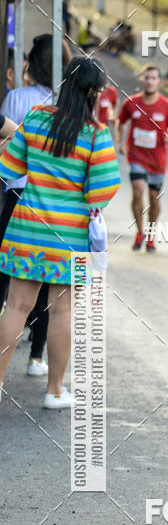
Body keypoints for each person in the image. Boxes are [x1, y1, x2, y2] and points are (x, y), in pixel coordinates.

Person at [0, 57, 120, 408]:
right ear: (94, 92)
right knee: (63, 311)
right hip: (71, 237)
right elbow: (102, 191)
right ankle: (54, 391)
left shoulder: (36, 117)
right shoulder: (95, 133)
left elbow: (10, 168)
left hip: (25, 229)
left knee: (16, 307)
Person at [0, 35, 72, 376]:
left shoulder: (16, 98)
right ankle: (37, 359)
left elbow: (6, 151)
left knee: (12, 290)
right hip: (62, 206)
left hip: (18, 199)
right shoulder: (68, 105)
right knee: (53, 294)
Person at [116, 65, 168, 251]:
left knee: (154, 197)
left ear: (159, 82)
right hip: (136, 156)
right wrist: (121, 142)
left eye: (154, 78)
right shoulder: (131, 103)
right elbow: (120, 122)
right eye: (147, 77)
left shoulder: (167, 106)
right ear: (142, 80)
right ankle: (139, 232)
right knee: (138, 191)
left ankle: (151, 234)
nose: (150, 81)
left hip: (157, 160)